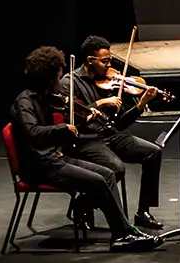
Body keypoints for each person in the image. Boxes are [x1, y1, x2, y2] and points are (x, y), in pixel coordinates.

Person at [10, 46, 156, 251]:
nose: (60, 83)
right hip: (40, 166)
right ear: (49, 78)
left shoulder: (46, 96)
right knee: (98, 180)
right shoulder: (25, 102)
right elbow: (34, 133)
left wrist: (84, 113)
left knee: (107, 174)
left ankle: (124, 231)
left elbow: (69, 109)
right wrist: (63, 129)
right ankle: (122, 234)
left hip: (55, 158)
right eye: (58, 77)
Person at [65, 36, 165, 232]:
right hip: (86, 140)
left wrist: (140, 104)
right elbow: (71, 120)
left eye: (110, 60)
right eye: (105, 61)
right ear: (89, 61)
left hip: (109, 135)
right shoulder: (70, 82)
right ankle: (83, 205)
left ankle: (143, 212)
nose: (109, 66)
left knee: (153, 152)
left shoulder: (110, 81)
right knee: (116, 169)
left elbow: (119, 124)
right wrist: (100, 103)